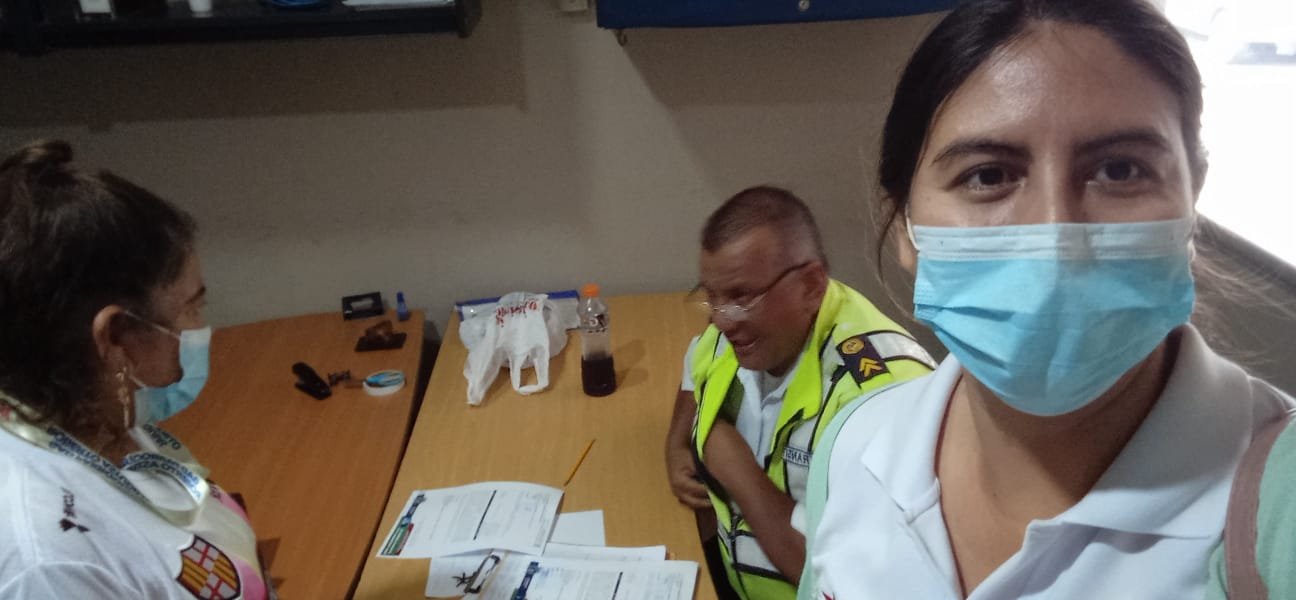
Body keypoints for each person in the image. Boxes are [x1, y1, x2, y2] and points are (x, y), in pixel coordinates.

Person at [797, 1, 1296, 599]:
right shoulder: (852, 443)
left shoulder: (1278, 511)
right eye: (987, 176)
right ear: (904, 226)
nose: (1058, 235)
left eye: (1120, 170)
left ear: (1193, 195)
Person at [0, 140, 268, 599]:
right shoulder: (50, 567)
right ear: (115, 338)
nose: (200, 329)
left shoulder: (97, 412)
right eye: (191, 307)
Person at [664, 185, 934, 600]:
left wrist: (732, 465)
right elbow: (697, 362)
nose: (721, 321)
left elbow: (843, 577)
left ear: (810, 285)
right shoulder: (743, 329)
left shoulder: (881, 398)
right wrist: (677, 444)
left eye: (740, 297)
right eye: (711, 297)